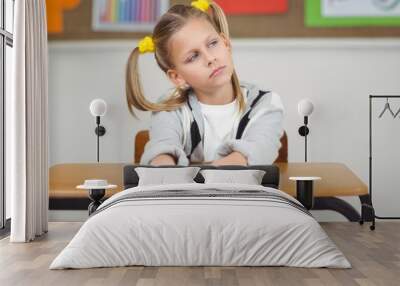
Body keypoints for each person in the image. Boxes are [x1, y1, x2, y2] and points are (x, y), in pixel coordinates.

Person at [125, 0, 284, 166]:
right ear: (177, 76)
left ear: (226, 43)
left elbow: (258, 149)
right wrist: (162, 161)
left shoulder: (265, 103)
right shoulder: (169, 108)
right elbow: (162, 149)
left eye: (213, 43)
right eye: (193, 56)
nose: (210, 58)